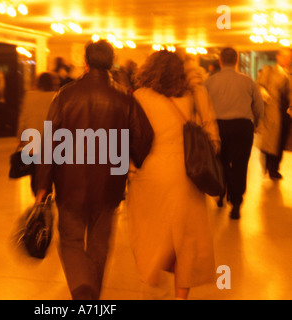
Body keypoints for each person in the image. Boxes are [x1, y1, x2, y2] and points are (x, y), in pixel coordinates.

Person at [34, 40, 154, 300]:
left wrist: (42, 185)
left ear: (85, 63)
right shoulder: (124, 98)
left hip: (70, 182)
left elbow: (48, 142)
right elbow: (145, 137)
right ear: (111, 64)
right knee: (100, 244)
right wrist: (132, 158)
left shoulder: (65, 95)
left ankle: (82, 291)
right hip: (110, 184)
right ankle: (92, 297)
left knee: (70, 241)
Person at [127, 50, 219, 300]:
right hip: (187, 172)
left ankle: (153, 271)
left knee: (152, 231)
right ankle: (180, 297)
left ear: (148, 69)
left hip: (150, 172)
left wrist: (129, 170)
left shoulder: (139, 96)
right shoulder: (192, 94)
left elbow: (131, 137)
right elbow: (213, 134)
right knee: (185, 239)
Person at [205, 48, 264, 219]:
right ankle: (236, 202)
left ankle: (221, 193)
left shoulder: (210, 82)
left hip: (219, 127)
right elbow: (259, 106)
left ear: (221, 61)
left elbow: (204, 106)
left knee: (220, 162)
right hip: (242, 127)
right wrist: (256, 123)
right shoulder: (248, 81)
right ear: (237, 60)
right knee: (240, 165)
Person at [17, 71, 60, 194]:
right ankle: (47, 195)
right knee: (50, 172)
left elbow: (23, 118)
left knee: (34, 173)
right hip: (51, 142)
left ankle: (38, 198)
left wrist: (20, 137)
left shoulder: (29, 96)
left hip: (32, 141)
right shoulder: (57, 96)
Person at [256, 48, 292, 180]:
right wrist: (265, 95)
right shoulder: (269, 71)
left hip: (286, 113)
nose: (287, 60)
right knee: (272, 141)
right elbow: (259, 86)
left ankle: (275, 167)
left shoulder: (290, 74)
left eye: (289, 57)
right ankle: (271, 168)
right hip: (273, 111)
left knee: (281, 142)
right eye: (284, 56)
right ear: (278, 57)